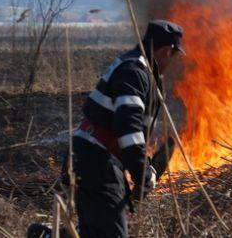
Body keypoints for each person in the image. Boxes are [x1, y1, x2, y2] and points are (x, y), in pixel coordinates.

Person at [28, 20, 182, 238]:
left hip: (91, 157)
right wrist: (143, 175)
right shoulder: (134, 72)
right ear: (167, 50)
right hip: (97, 161)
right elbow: (129, 131)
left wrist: (143, 169)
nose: (172, 61)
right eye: (174, 55)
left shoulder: (136, 68)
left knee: (94, 233)